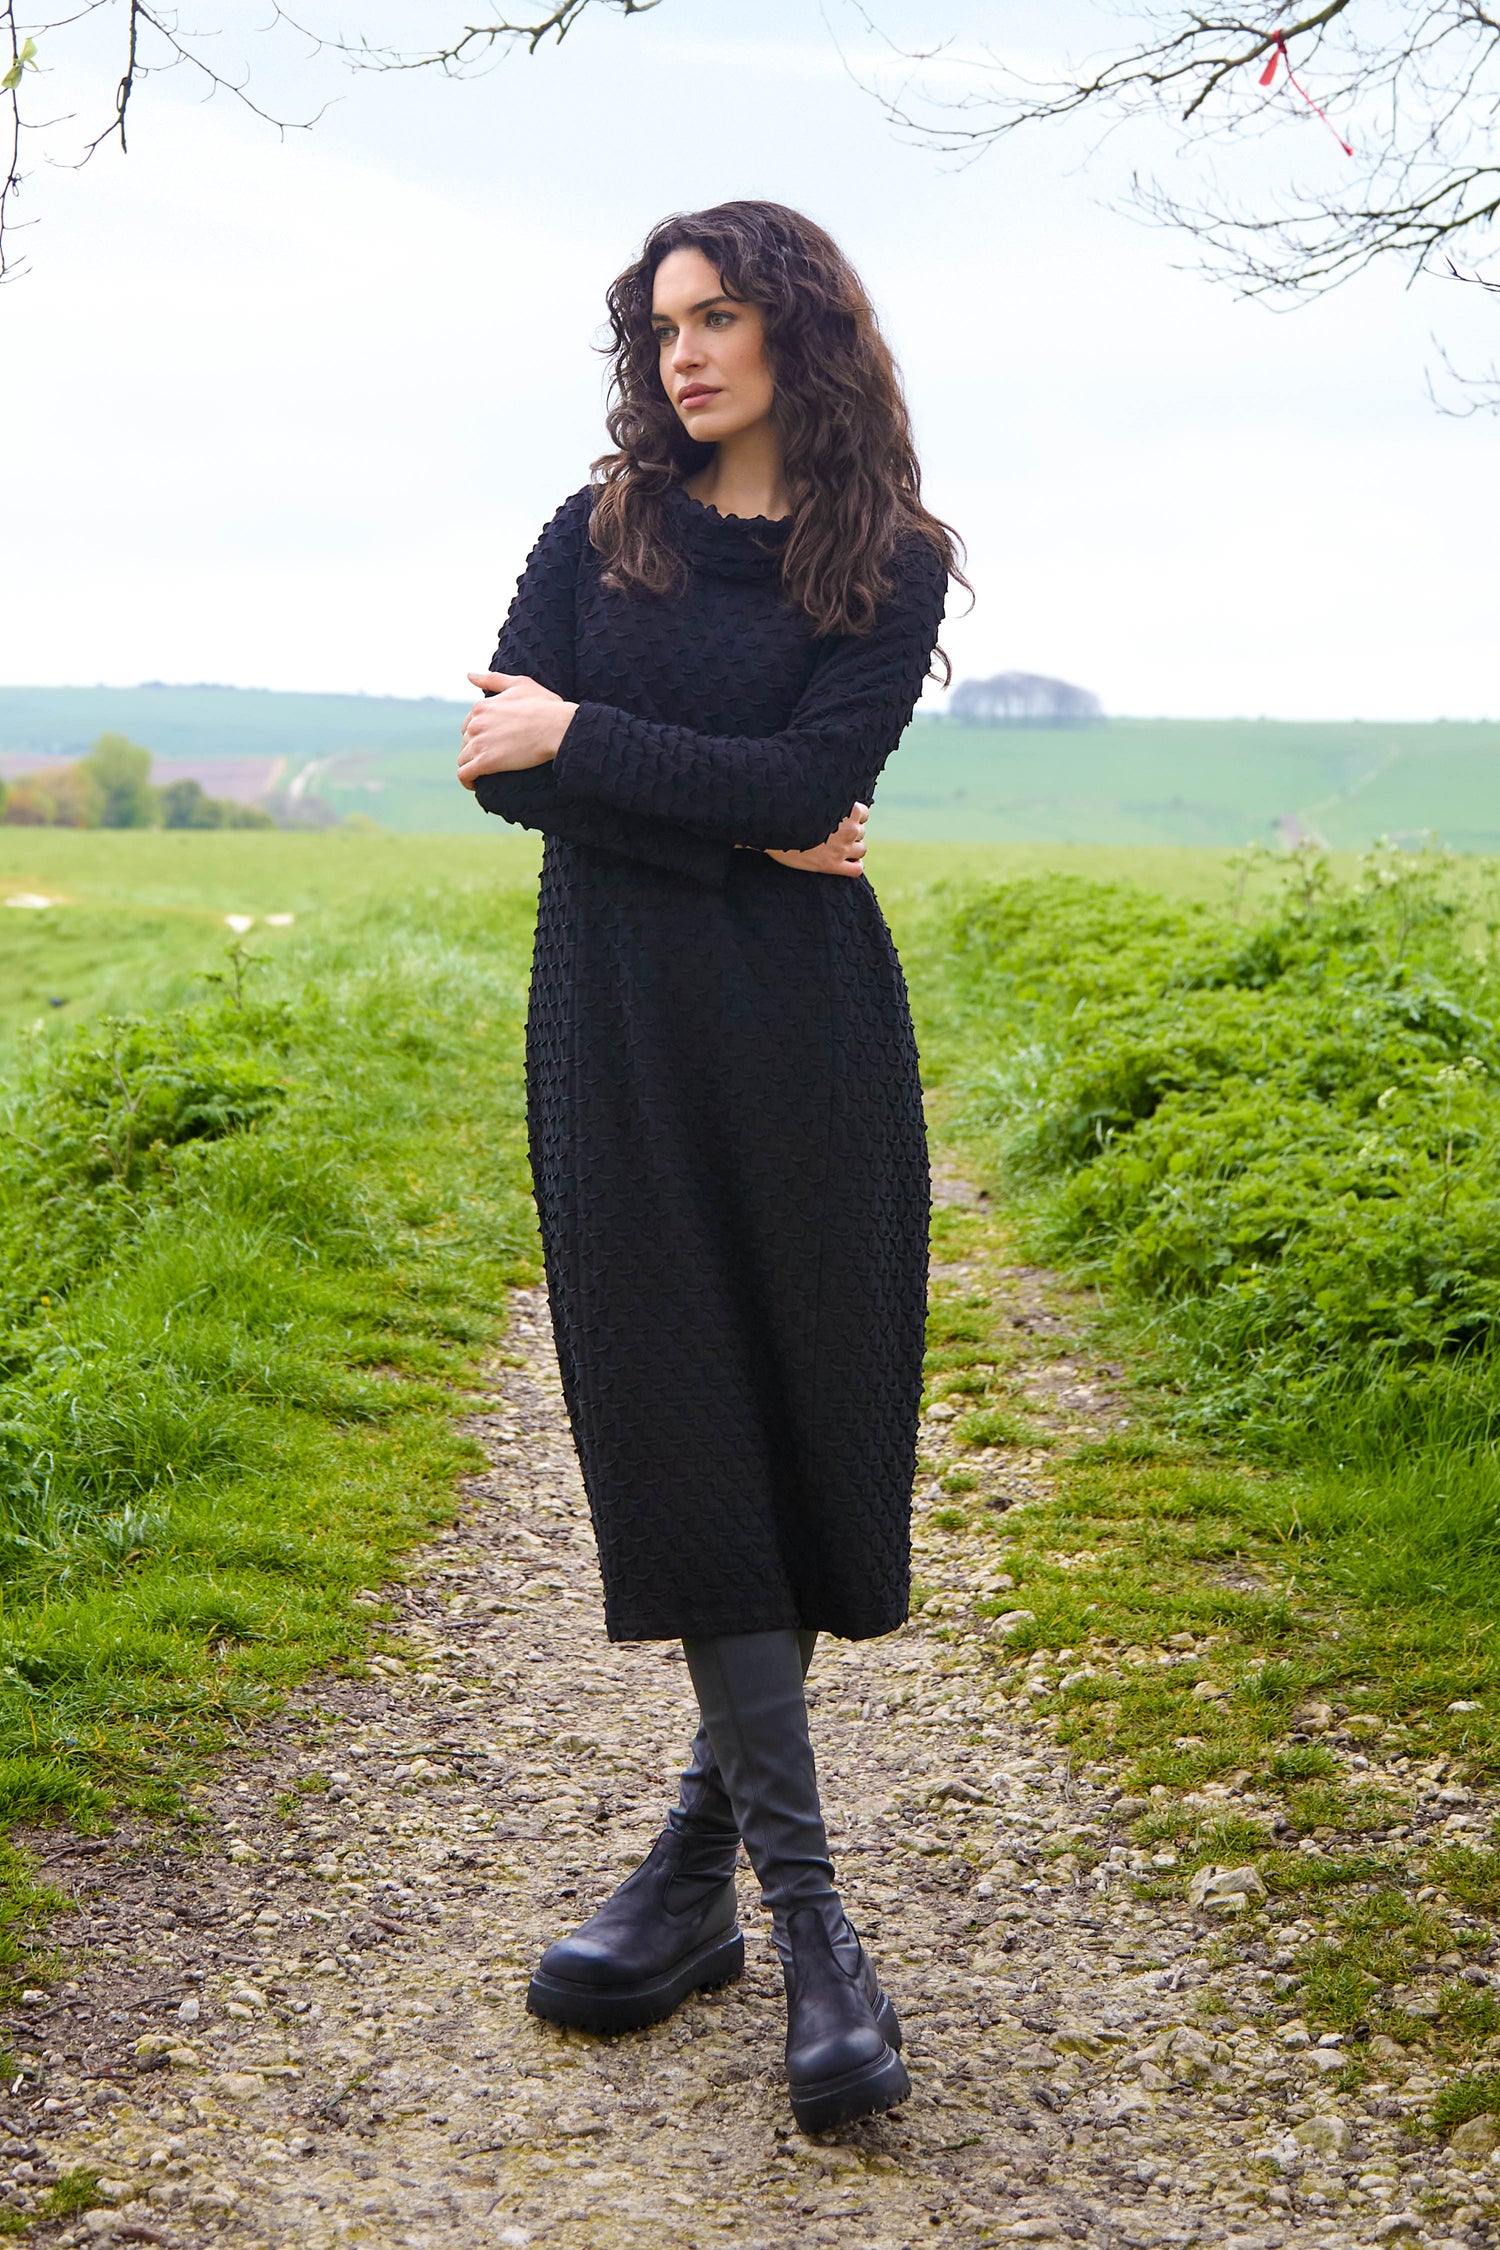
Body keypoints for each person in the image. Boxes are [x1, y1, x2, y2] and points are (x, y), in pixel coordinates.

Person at [457, 199, 963, 2133]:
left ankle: (687, 1884)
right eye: (663, 321)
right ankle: (816, 1929)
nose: (684, 353)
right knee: (678, 1428)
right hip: (623, 1040)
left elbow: (808, 787)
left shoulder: (889, 560)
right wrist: (718, 809)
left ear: (798, 336)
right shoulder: (595, 536)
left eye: (722, 316)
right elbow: (508, 763)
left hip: (812, 1045)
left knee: (801, 1426)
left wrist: (613, 748)